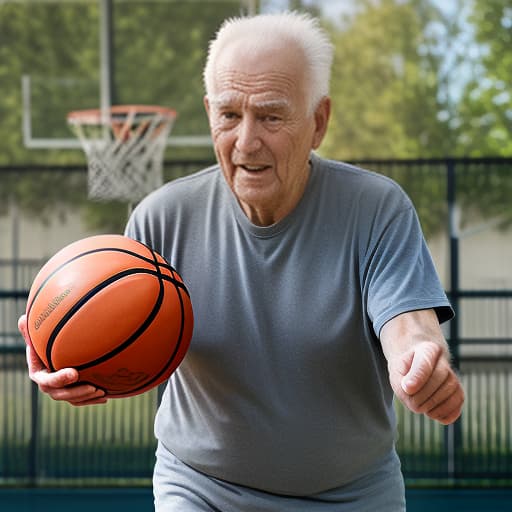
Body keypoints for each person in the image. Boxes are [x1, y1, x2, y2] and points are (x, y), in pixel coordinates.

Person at [19, 11, 464, 511]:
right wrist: (65, 357)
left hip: (353, 495)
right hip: (200, 488)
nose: (247, 141)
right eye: (229, 115)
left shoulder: (376, 209)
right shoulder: (160, 219)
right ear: (209, 111)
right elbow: (113, 331)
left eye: (271, 116)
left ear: (318, 121)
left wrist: (420, 361)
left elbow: (408, 323)